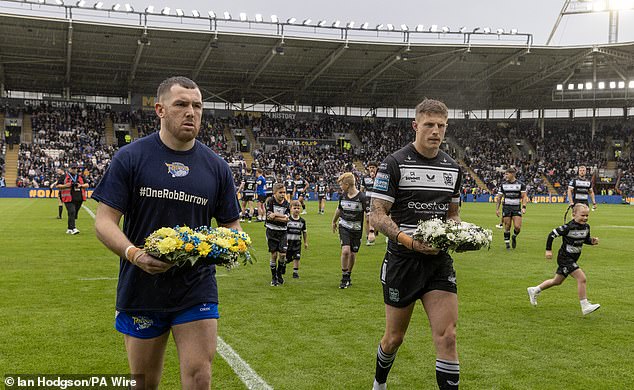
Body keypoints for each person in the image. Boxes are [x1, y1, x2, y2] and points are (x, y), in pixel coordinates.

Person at [92, 76, 241, 389]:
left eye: (197, 106)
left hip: (196, 287)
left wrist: (225, 247)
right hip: (142, 287)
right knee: (144, 382)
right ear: (160, 109)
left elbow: (232, 227)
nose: (191, 112)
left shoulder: (216, 167)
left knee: (200, 375)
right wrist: (134, 254)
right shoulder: (131, 157)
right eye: (181, 104)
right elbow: (104, 221)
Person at [369, 99, 462, 390]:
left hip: (437, 262)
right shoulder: (394, 162)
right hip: (402, 261)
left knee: (448, 336)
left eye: (441, 126)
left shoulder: (452, 168)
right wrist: (408, 241)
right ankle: (379, 382)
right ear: (415, 126)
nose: (435, 131)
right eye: (429, 125)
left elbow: (453, 214)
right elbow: (377, 214)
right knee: (394, 338)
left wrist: (457, 232)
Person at [527, 203, 601, 315]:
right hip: (564, 258)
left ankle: (535, 290)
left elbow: (584, 239)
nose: (585, 218)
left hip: (573, 258)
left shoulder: (586, 227)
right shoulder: (568, 227)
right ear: (574, 214)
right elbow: (551, 235)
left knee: (557, 281)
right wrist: (548, 250)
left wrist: (592, 241)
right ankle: (585, 305)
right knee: (582, 278)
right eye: (582, 215)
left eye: (587, 215)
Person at [332, 172, 368, 289]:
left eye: (341, 184)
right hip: (344, 227)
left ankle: (348, 275)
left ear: (347, 184)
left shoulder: (362, 197)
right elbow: (339, 209)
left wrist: (371, 231)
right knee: (346, 251)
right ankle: (344, 276)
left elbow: (369, 215)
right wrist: (334, 221)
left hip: (356, 230)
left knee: (352, 254)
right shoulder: (342, 196)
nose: (340, 187)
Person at [495, 167, 528, 250]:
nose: (505, 175)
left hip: (516, 207)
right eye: (505, 174)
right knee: (507, 226)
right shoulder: (503, 185)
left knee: (517, 227)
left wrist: (524, 207)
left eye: (507, 174)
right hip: (506, 207)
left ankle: (514, 236)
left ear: (512, 174)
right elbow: (499, 198)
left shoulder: (521, 184)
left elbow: (524, 197)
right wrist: (497, 209)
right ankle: (507, 245)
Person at [265, 183, 290, 286]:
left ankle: (279, 274)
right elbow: (269, 216)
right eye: (280, 192)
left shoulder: (287, 204)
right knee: (274, 255)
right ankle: (274, 277)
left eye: (284, 192)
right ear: (274, 193)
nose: (283, 194)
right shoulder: (270, 201)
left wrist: (276, 215)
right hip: (271, 230)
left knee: (283, 254)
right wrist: (281, 217)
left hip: (283, 231)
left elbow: (287, 219)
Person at [57, 164, 88, 234]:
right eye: (73, 168)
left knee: (73, 214)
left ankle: (69, 229)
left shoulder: (80, 176)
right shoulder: (64, 176)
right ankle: (73, 228)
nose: (74, 170)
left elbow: (87, 185)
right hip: (68, 198)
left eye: (75, 168)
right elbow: (58, 185)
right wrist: (66, 185)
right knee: (72, 212)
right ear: (69, 169)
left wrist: (81, 185)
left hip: (79, 198)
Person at [286, 200, 308, 279]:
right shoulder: (287, 220)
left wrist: (305, 242)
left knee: (297, 257)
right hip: (288, 242)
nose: (296, 210)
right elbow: (284, 232)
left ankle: (295, 272)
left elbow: (304, 232)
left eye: (298, 208)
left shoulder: (302, 221)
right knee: (287, 258)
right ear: (291, 209)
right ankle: (284, 264)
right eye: (294, 208)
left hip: (297, 243)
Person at [361, 161, 379, 245]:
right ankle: (369, 237)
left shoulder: (380, 176)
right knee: (368, 219)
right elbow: (362, 189)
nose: (371, 169)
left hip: (377, 199)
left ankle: (376, 233)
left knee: (377, 219)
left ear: (376, 168)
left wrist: (374, 178)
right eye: (370, 167)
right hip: (367, 199)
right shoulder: (364, 177)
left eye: (373, 167)